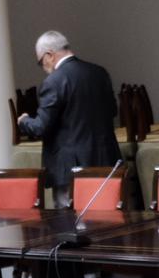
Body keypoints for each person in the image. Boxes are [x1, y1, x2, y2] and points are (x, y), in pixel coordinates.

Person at [15, 31, 122, 206]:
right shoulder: (100, 73)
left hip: (70, 171)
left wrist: (24, 121)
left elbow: (40, 127)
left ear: (49, 55)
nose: (43, 67)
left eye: (41, 62)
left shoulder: (54, 81)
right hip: (105, 163)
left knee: (69, 221)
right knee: (107, 218)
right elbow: (112, 111)